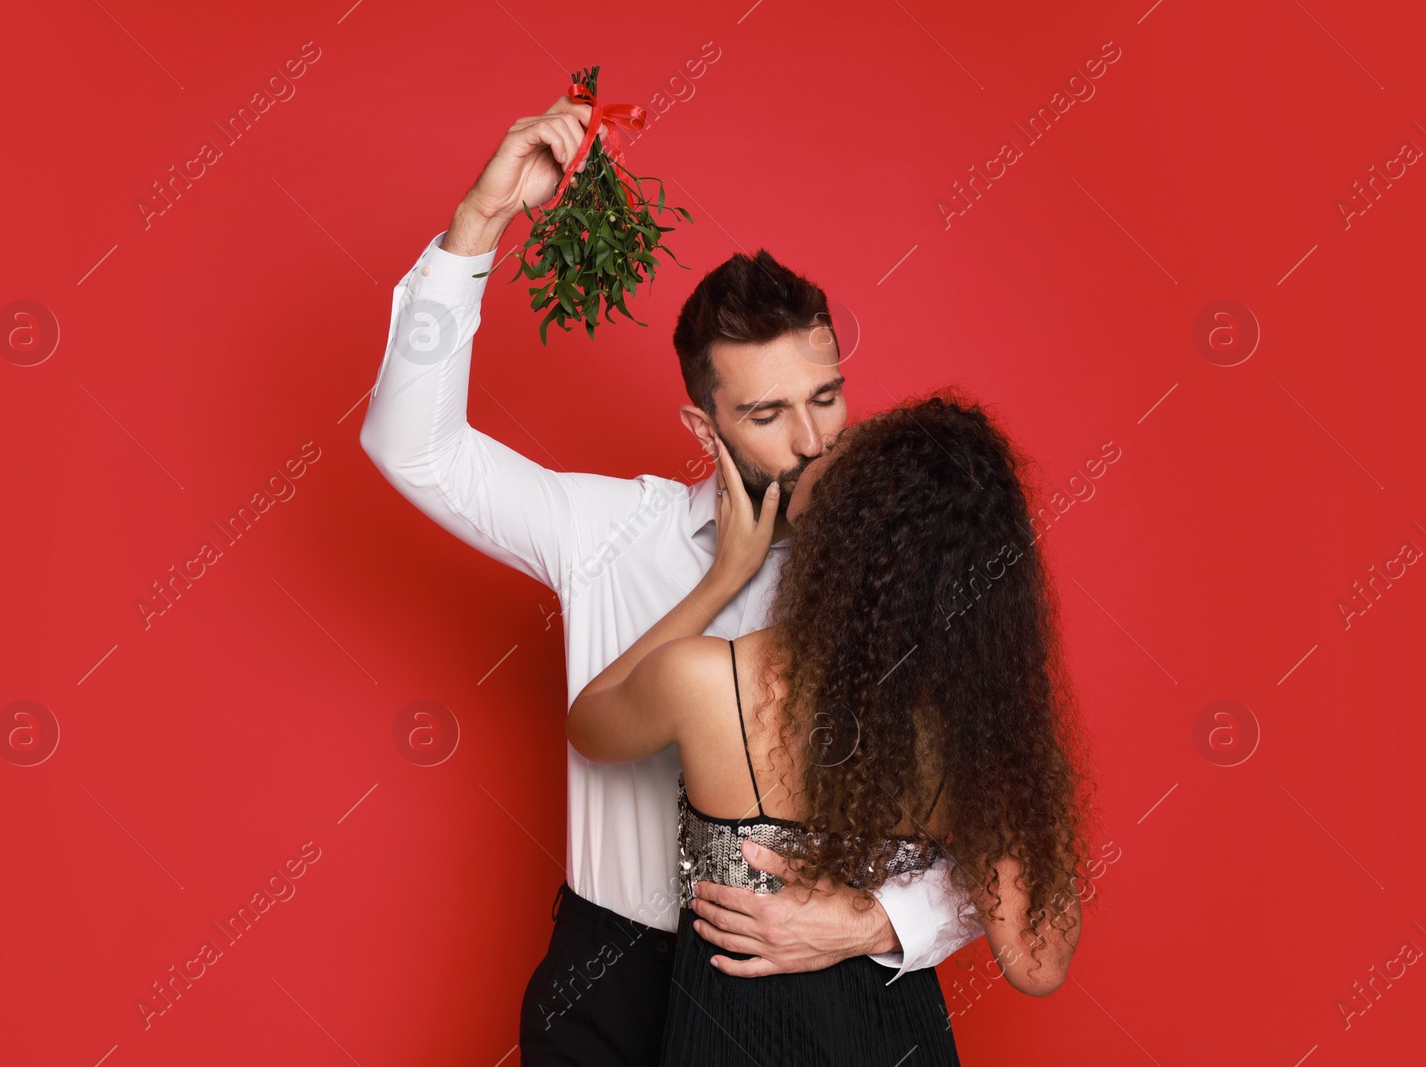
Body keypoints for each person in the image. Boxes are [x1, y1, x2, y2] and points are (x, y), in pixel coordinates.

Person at [360, 93, 981, 1066]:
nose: (813, 437)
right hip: (609, 970)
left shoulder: (906, 560)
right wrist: (478, 222)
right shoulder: (608, 527)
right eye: (769, 411)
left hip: (796, 980)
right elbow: (413, 446)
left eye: (825, 395)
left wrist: (876, 923)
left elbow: (1003, 821)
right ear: (705, 428)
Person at [566, 396, 1091, 1065]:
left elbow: (591, 722)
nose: (813, 445)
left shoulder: (705, 681)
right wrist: (882, 919)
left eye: (833, 453)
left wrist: (722, 578)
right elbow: (1038, 959)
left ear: (836, 537)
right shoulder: (978, 728)